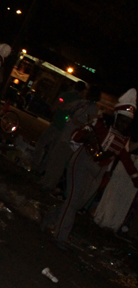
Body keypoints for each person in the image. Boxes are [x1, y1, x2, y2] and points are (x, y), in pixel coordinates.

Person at [43, 89, 138, 249]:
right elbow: (76, 135)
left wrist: (135, 178)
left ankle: (51, 218)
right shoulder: (100, 123)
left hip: (98, 171)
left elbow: (125, 158)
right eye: (121, 120)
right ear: (116, 116)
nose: (123, 125)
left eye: (126, 122)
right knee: (73, 200)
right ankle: (60, 236)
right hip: (83, 161)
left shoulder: (124, 137)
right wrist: (85, 136)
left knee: (77, 203)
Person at [31, 80, 86, 172]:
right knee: (52, 151)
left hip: (56, 123)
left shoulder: (64, 95)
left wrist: (60, 108)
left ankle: (35, 165)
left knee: (41, 143)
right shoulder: (81, 102)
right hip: (65, 128)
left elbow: (53, 108)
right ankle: (43, 169)